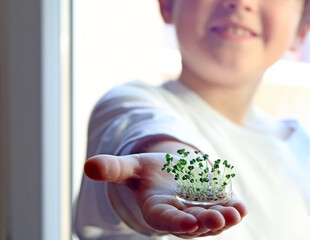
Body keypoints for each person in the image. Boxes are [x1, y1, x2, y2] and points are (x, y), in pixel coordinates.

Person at [74, 0, 310, 239]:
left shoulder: (303, 147)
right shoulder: (130, 102)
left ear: (302, 29)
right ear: (167, 5)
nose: (241, 3)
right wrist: (175, 170)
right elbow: (146, 137)